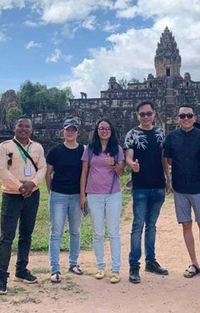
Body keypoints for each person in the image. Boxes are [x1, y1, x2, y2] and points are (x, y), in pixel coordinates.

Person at [0, 117, 47, 295]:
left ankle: (21, 270)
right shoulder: (5, 147)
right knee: (6, 237)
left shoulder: (37, 147)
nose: (24, 129)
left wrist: (32, 184)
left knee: (26, 234)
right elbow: (2, 170)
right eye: (20, 126)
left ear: (31, 129)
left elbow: (42, 168)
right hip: (11, 195)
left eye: (27, 126)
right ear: (14, 128)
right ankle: (1, 278)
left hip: (32, 194)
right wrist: (20, 186)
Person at [124, 100, 171, 284]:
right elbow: (128, 156)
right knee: (138, 226)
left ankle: (150, 261)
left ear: (154, 114)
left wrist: (168, 179)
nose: (145, 117)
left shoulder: (160, 133)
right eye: (142, 114)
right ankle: (133, 265)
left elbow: (163, 158)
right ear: (137, 115)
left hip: (158, 184)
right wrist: (131, 165)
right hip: (141, 186)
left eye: (148, 113)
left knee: (152, 226)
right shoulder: (132, 134)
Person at [164, 104, 200, 278]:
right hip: (180, 187)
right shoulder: (171, 137)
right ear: (177, 118)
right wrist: (169, 180)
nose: (186, 119)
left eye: (189, 116)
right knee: (186, 224)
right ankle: (194, 262)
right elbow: (168, 160)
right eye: (182, 116)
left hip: (199, 186)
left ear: (195, 118)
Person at [80, 118, 125, 284]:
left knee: (113, 232)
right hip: (93, 194)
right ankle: (100, 266)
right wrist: (82, 195)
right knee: (98, 232)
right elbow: (84, 172)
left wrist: (113, 164)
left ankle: (115, 269)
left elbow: (121, 172)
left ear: (111, 130)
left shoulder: (117, 149)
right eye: (101, 128)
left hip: (113, 193)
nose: (104, 131)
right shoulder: (90, 149)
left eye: (107, 128)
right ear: (97, 131)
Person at [45, 118, 85, 284]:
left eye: (73, 130)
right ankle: (55, 268)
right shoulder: (55, 151)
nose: (70, 132)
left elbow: (85, 173)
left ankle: (73, 263)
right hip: (58, 195)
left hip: (76, 195)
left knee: (75, 230)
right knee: (56, 232)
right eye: (68, 129)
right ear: (63, 131)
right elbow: (48, 174)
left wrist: (83, 195)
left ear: (78, 132)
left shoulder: (83, 150)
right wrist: (51, 191)